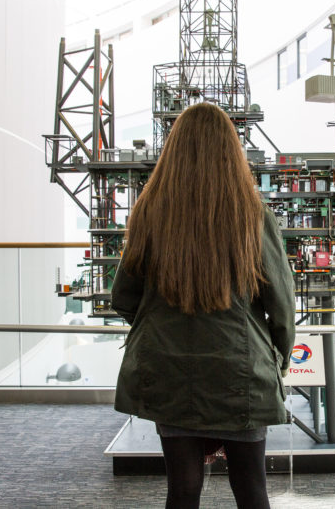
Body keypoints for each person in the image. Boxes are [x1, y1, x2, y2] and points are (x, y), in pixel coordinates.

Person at [111, 102, 295, 509]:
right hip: (239, 372)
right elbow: (281, 307)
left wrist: (159, 326)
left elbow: (122, 297)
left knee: (182, 488)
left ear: (173, 151)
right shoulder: (253, 215)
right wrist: (275, 362)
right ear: (231, 151)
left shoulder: (148, 214)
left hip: (169, 371)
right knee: (252, 490)